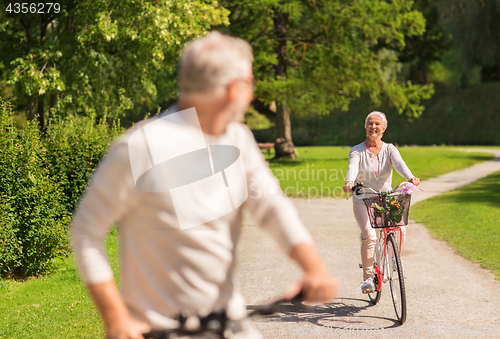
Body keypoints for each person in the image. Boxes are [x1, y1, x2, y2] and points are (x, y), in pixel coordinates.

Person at [71, 31, 339, 339]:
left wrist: (313, 267)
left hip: (230, 323)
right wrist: (115, 318)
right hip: (159, 330)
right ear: (234, 89)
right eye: (251, 83)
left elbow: (271, 206)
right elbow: (86, 232)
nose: (253, 92)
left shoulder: (238, 138)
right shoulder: (140, 146)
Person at [342, 111, 420, 293]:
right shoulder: (357, 150)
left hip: (386, 198)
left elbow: (400, 164)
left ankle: (394, 258)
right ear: (365, 127)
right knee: (370, 235)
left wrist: (410, 177)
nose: (373, 127)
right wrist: (349, 182)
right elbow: (352, 167)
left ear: (383, 128)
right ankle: (368, 278)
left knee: (400, 228)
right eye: (370, 123)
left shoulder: (390, 149)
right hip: (363, 198)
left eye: (377, 124)